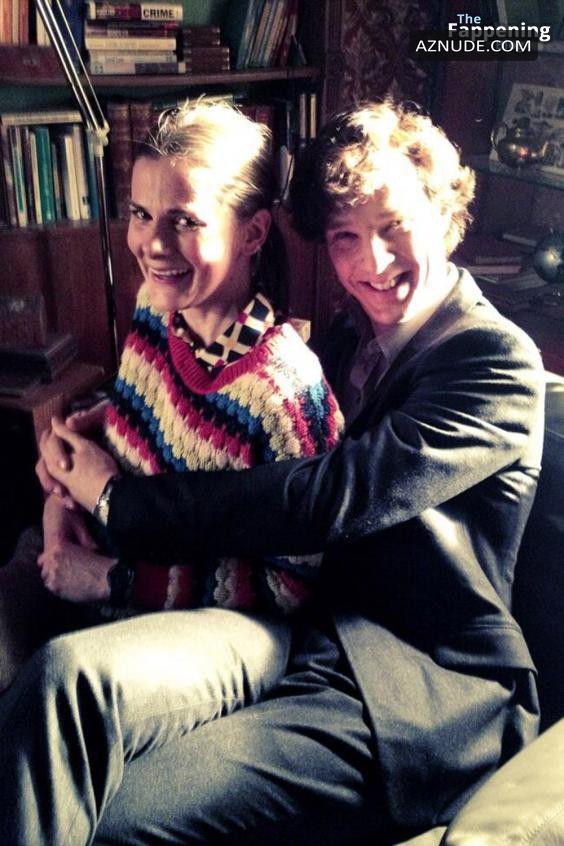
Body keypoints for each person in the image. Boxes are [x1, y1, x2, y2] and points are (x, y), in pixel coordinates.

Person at [3, 99, 544, 845]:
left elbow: (332, 495)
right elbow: (240, 429)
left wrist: (119, 500)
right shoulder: (356, 332)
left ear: (446, 216)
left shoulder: (495, 360)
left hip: (414, 686)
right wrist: (102, 426)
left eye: (394, 226)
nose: (372, 262)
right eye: (346, 237)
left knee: (116, 814)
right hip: (308, 637)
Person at [0, 101, 342, 690]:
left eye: (184, 220)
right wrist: (61, 499)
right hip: (85, 550)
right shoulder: (156, 310)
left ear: (253, 232)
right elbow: (141, 433)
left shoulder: (284, 394)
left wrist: (113, 578)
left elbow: (292, 584)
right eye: (141, 214)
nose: (152, 244)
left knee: (49, 683)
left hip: (185, 621)